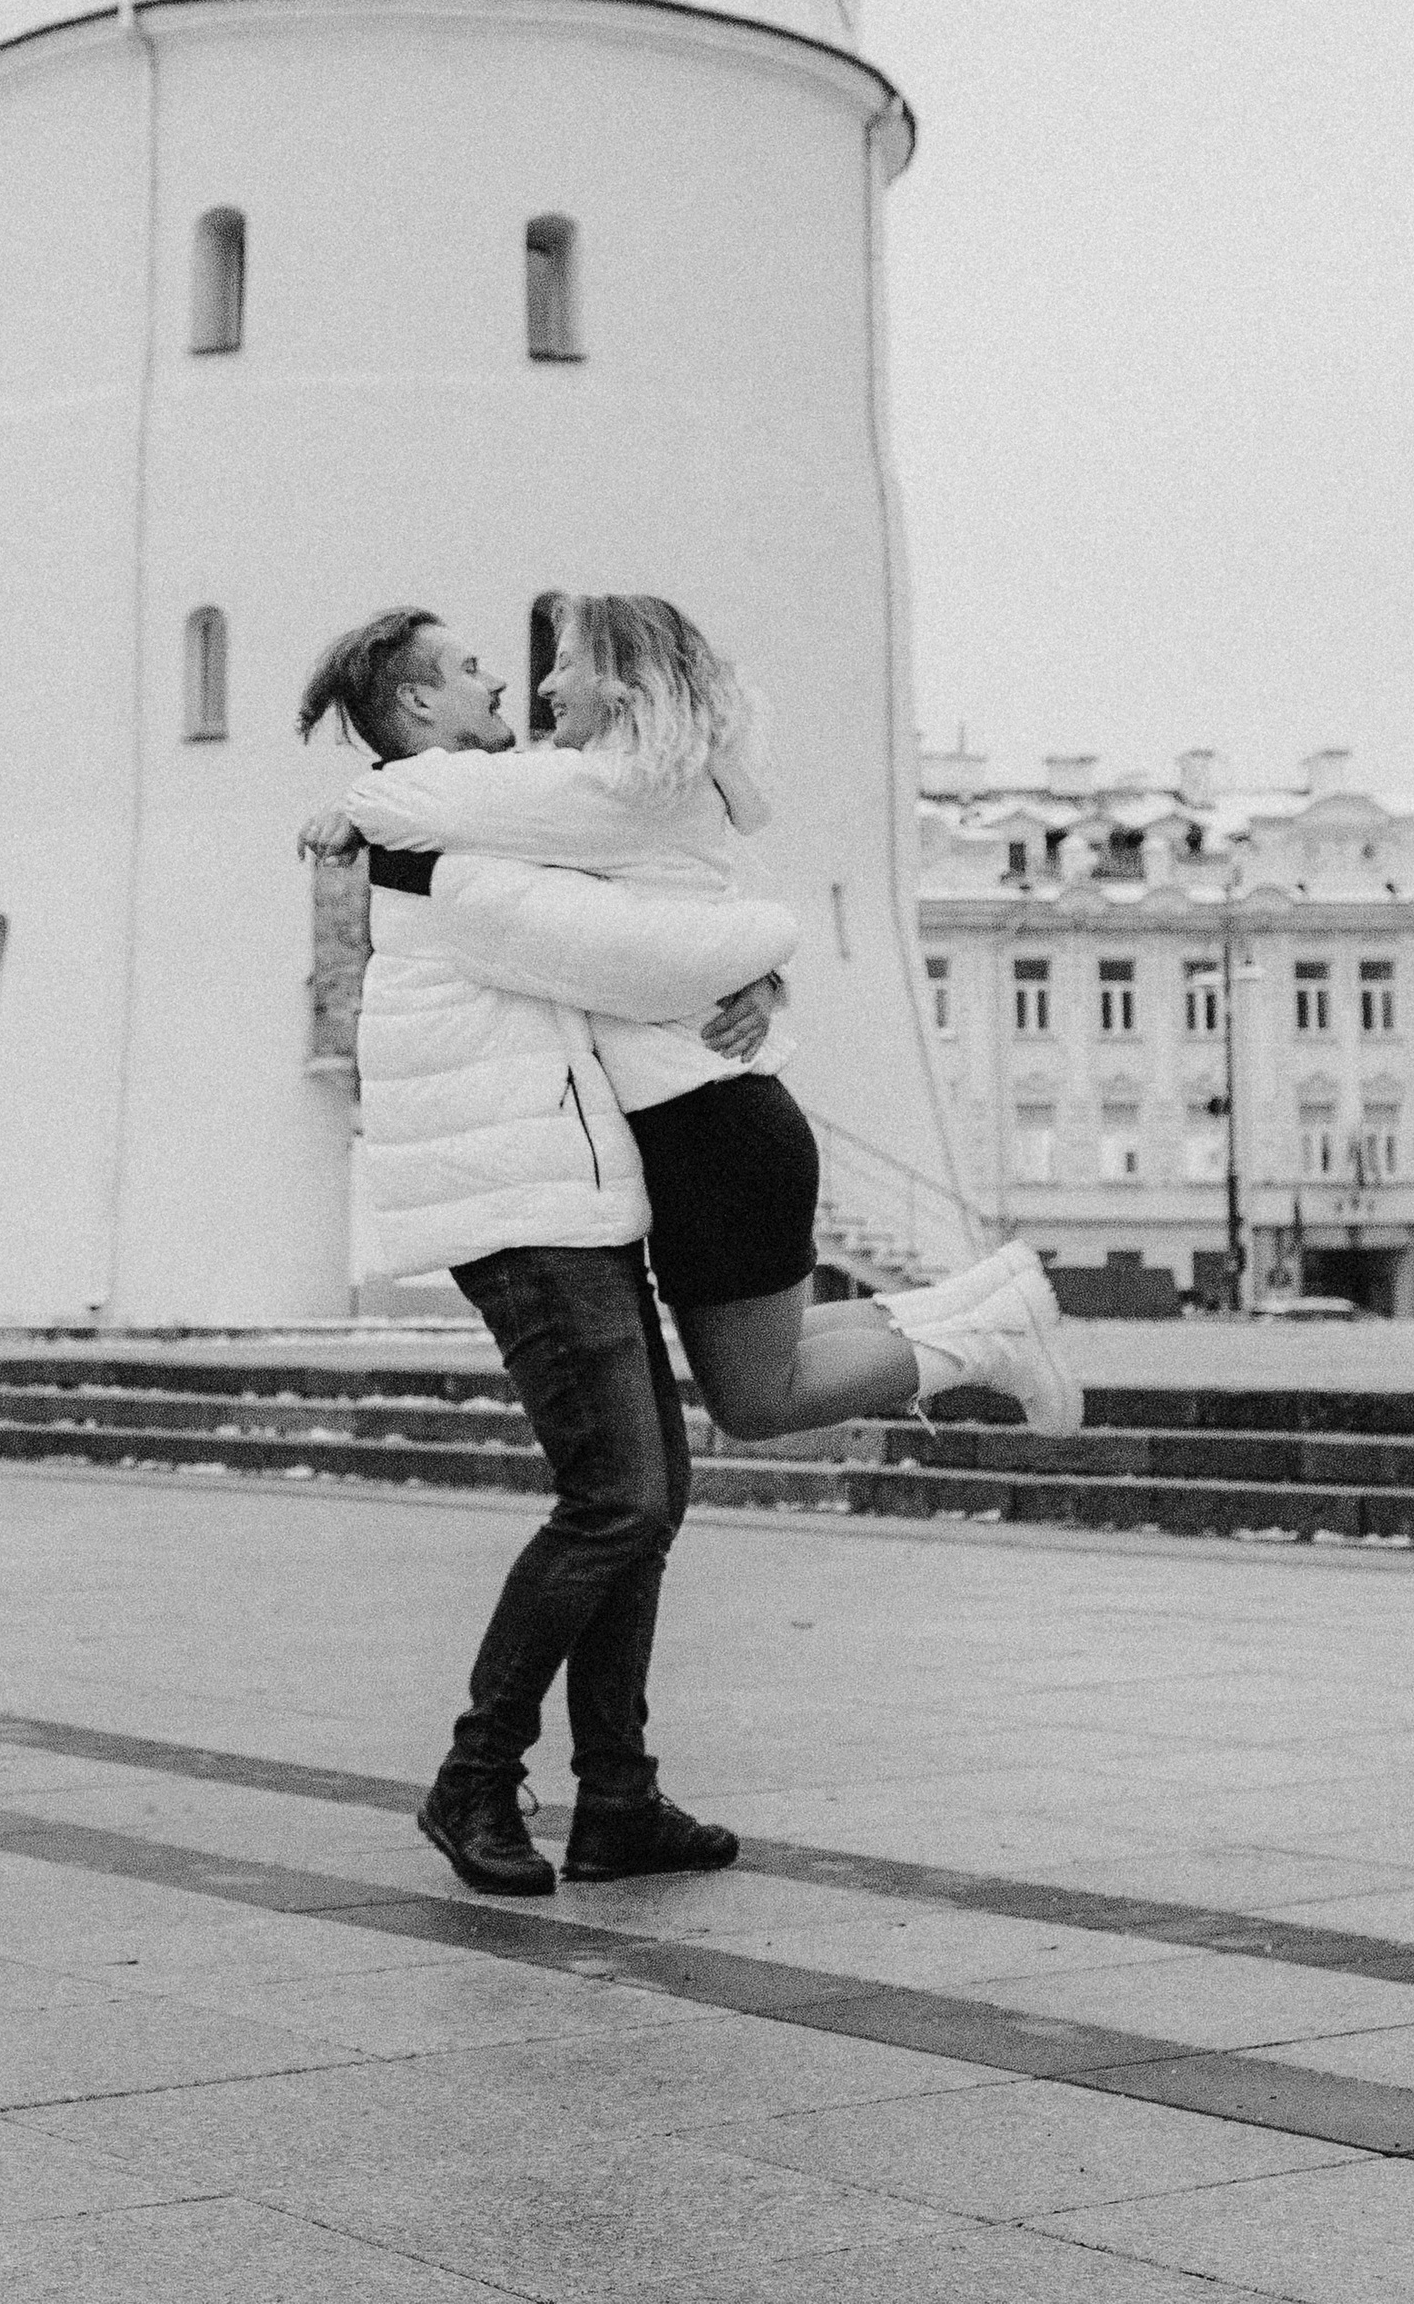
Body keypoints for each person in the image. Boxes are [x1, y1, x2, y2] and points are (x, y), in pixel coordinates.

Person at [296, 606, 793, 1903]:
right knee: (618, 1500)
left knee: (646, 1503)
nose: (496, 679)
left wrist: (737, 976)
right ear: (418, 714)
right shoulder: (445, 848)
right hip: (514, 1203)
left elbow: (633, 900)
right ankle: (475, 1777)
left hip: (567, 1189)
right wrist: (764, 946)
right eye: (466, 671)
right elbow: (620, 938)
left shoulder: (457, 820)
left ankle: (617, 1796)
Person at [324, 593, 1080, 1444]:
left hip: (710, 1129)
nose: (540, 687)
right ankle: (981, 1308)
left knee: (757, 1398)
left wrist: (362, 804)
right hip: (713, 1120)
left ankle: (986, 1342)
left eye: (565, 662)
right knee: (759, 1363)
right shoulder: (633, 786)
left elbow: (444, 813)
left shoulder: (613, 789)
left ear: (621, 681)